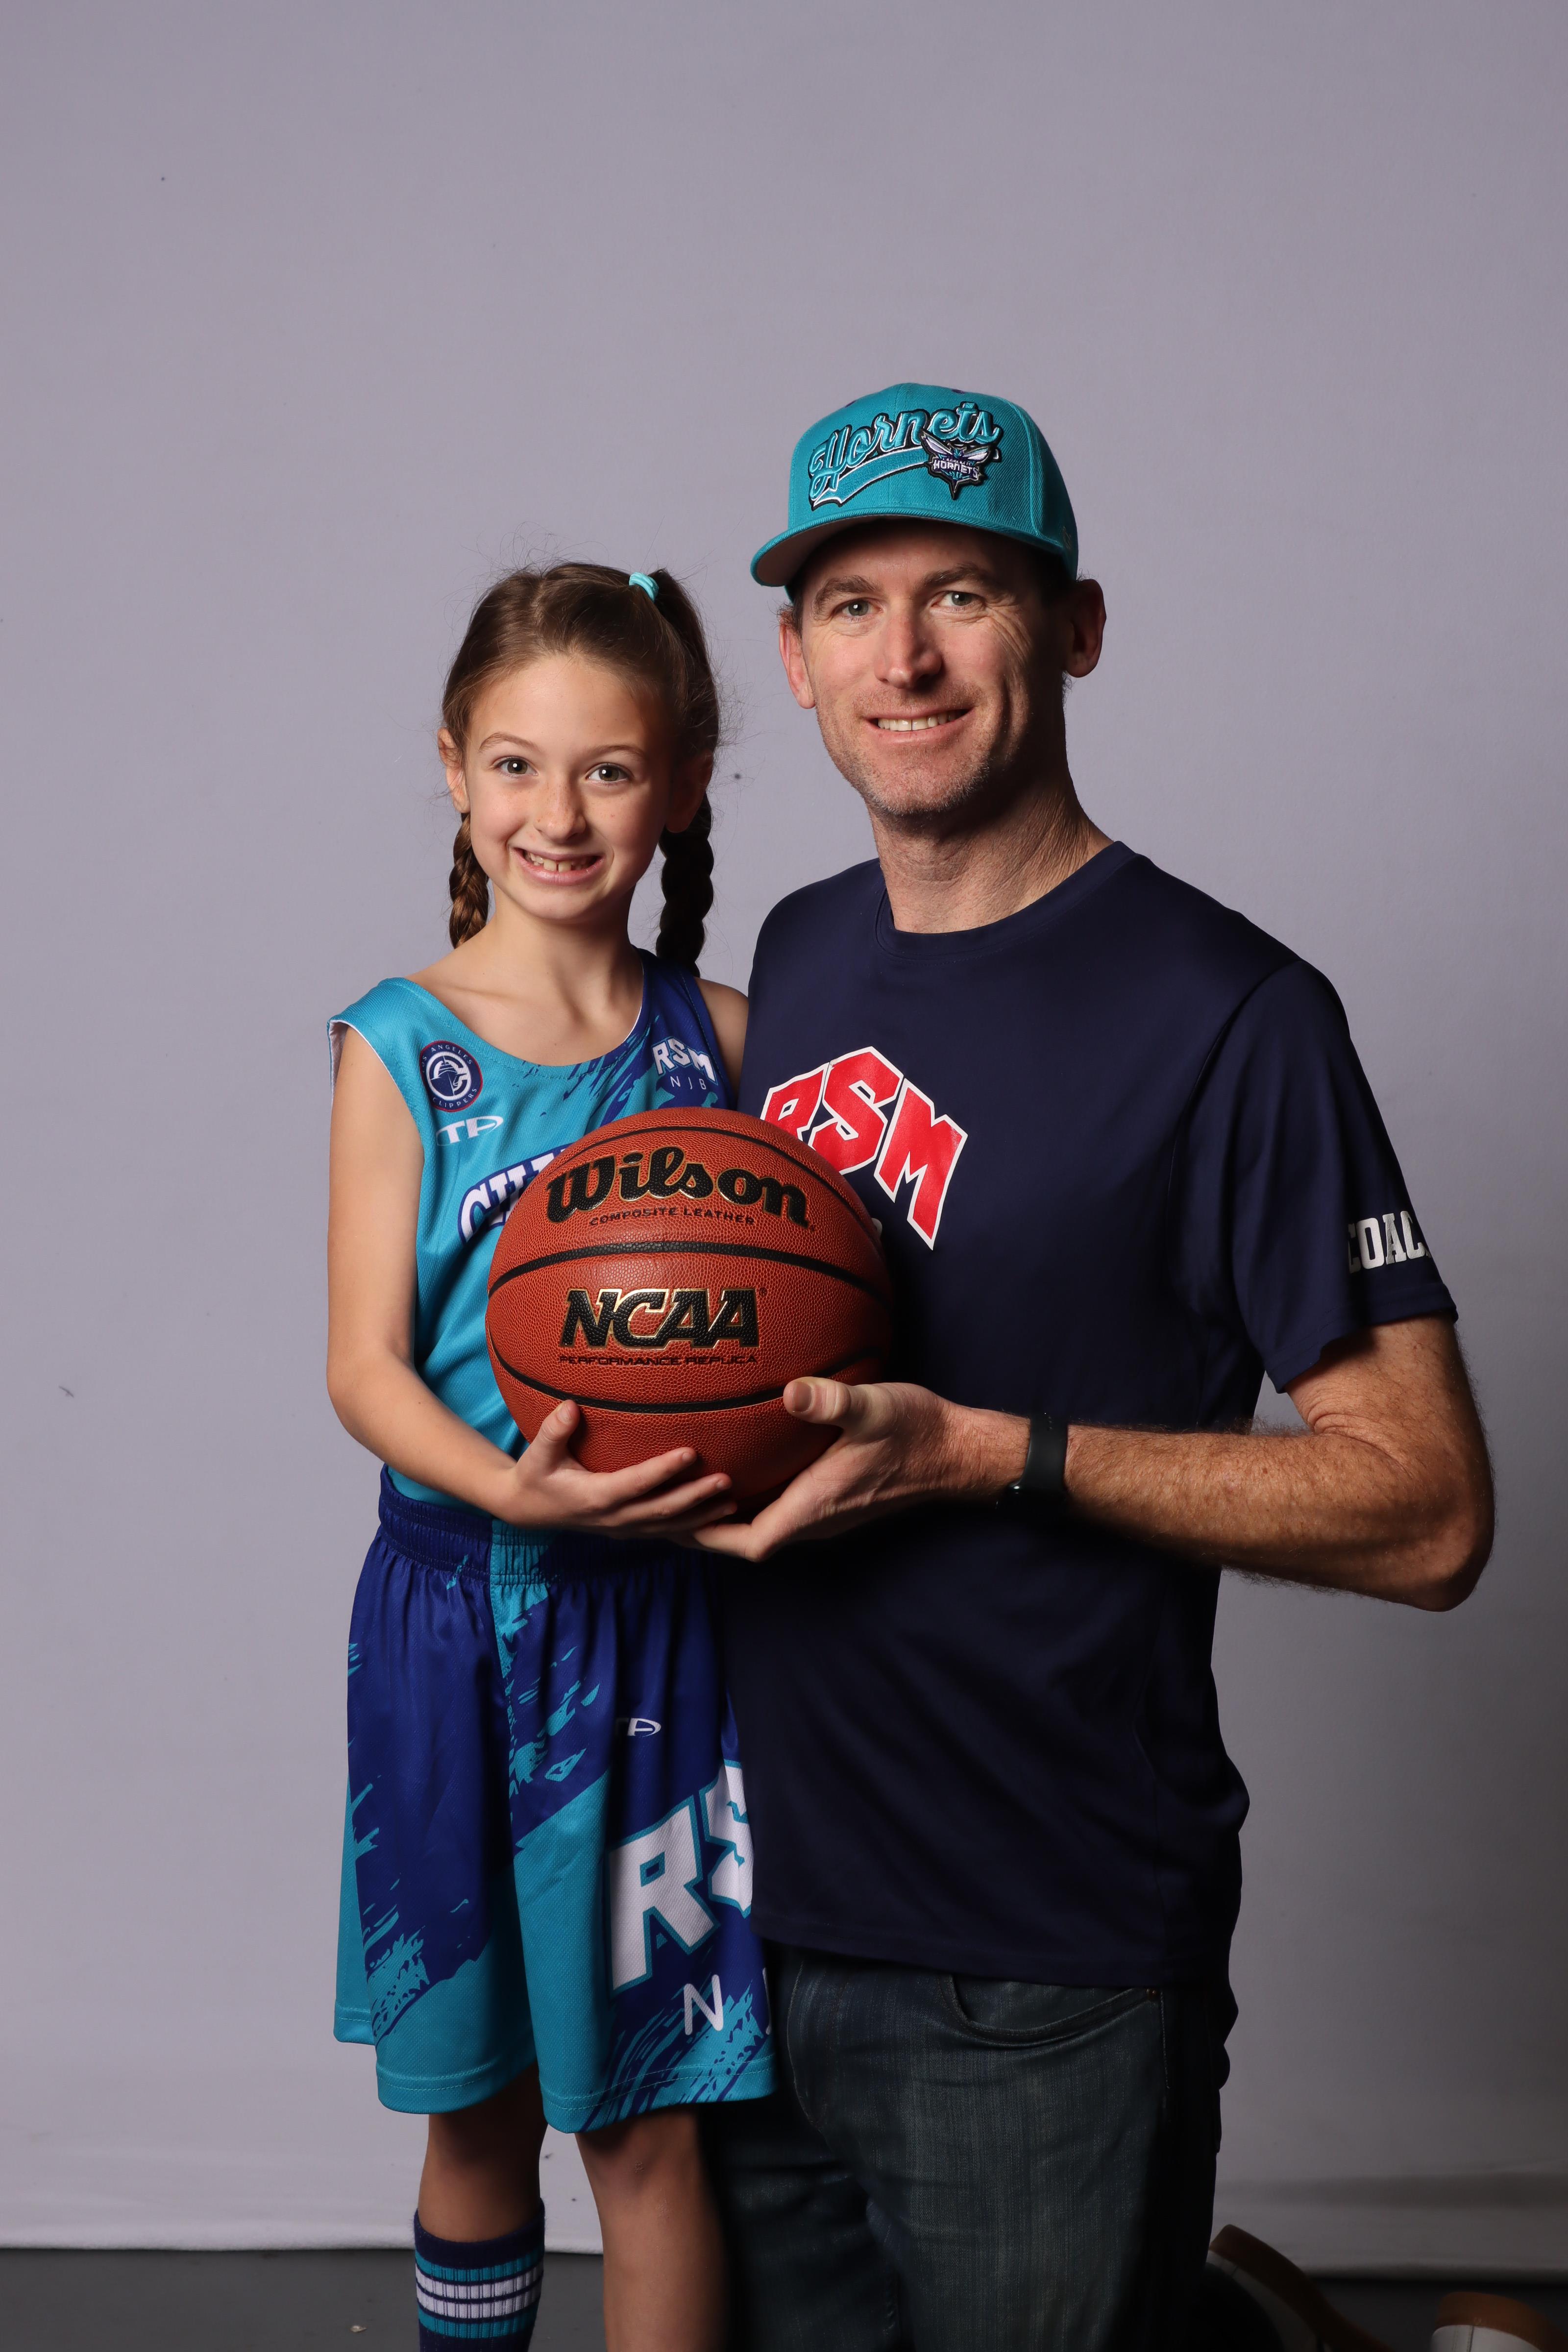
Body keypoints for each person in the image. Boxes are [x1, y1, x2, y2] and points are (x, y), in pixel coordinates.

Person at [696, 384, 1495, 2352]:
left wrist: (986, 1452)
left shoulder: (1233, 1016)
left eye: (962, 596)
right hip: (743, 1913)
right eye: (852, 603)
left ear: (1074, 629)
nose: (902, 657)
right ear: (792, 660)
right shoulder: (798, 952)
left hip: (1037, 1954)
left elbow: (1425, 1511)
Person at [326, 564, 770, 2352]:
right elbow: (363, 1366)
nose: (557, 814)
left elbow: (818, 1329)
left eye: (608, 770)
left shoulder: (719, 1041)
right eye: (516, 766)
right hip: (450, 1612)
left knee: (650, 2123)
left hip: (653, 1630)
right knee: (477, 2110)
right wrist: (509, 1488)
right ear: (454, 769)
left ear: (682, 784)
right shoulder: (401, 1045)